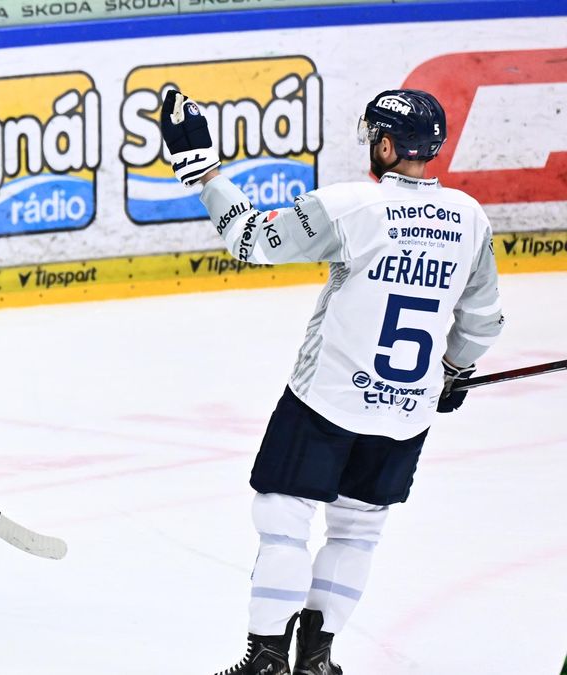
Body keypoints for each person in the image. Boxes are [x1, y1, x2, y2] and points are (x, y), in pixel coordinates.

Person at [159, 88, 504, 674]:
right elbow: (483, 319)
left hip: (328, 400)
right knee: (358, 534)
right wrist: (454, 371)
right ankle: (316, 662)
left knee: (283, 521)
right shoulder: (470, 217)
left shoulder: (351, 205)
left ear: (387, 146)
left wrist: (205, 173)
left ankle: (268, 661)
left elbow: (252, 241)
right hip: (406, 413)